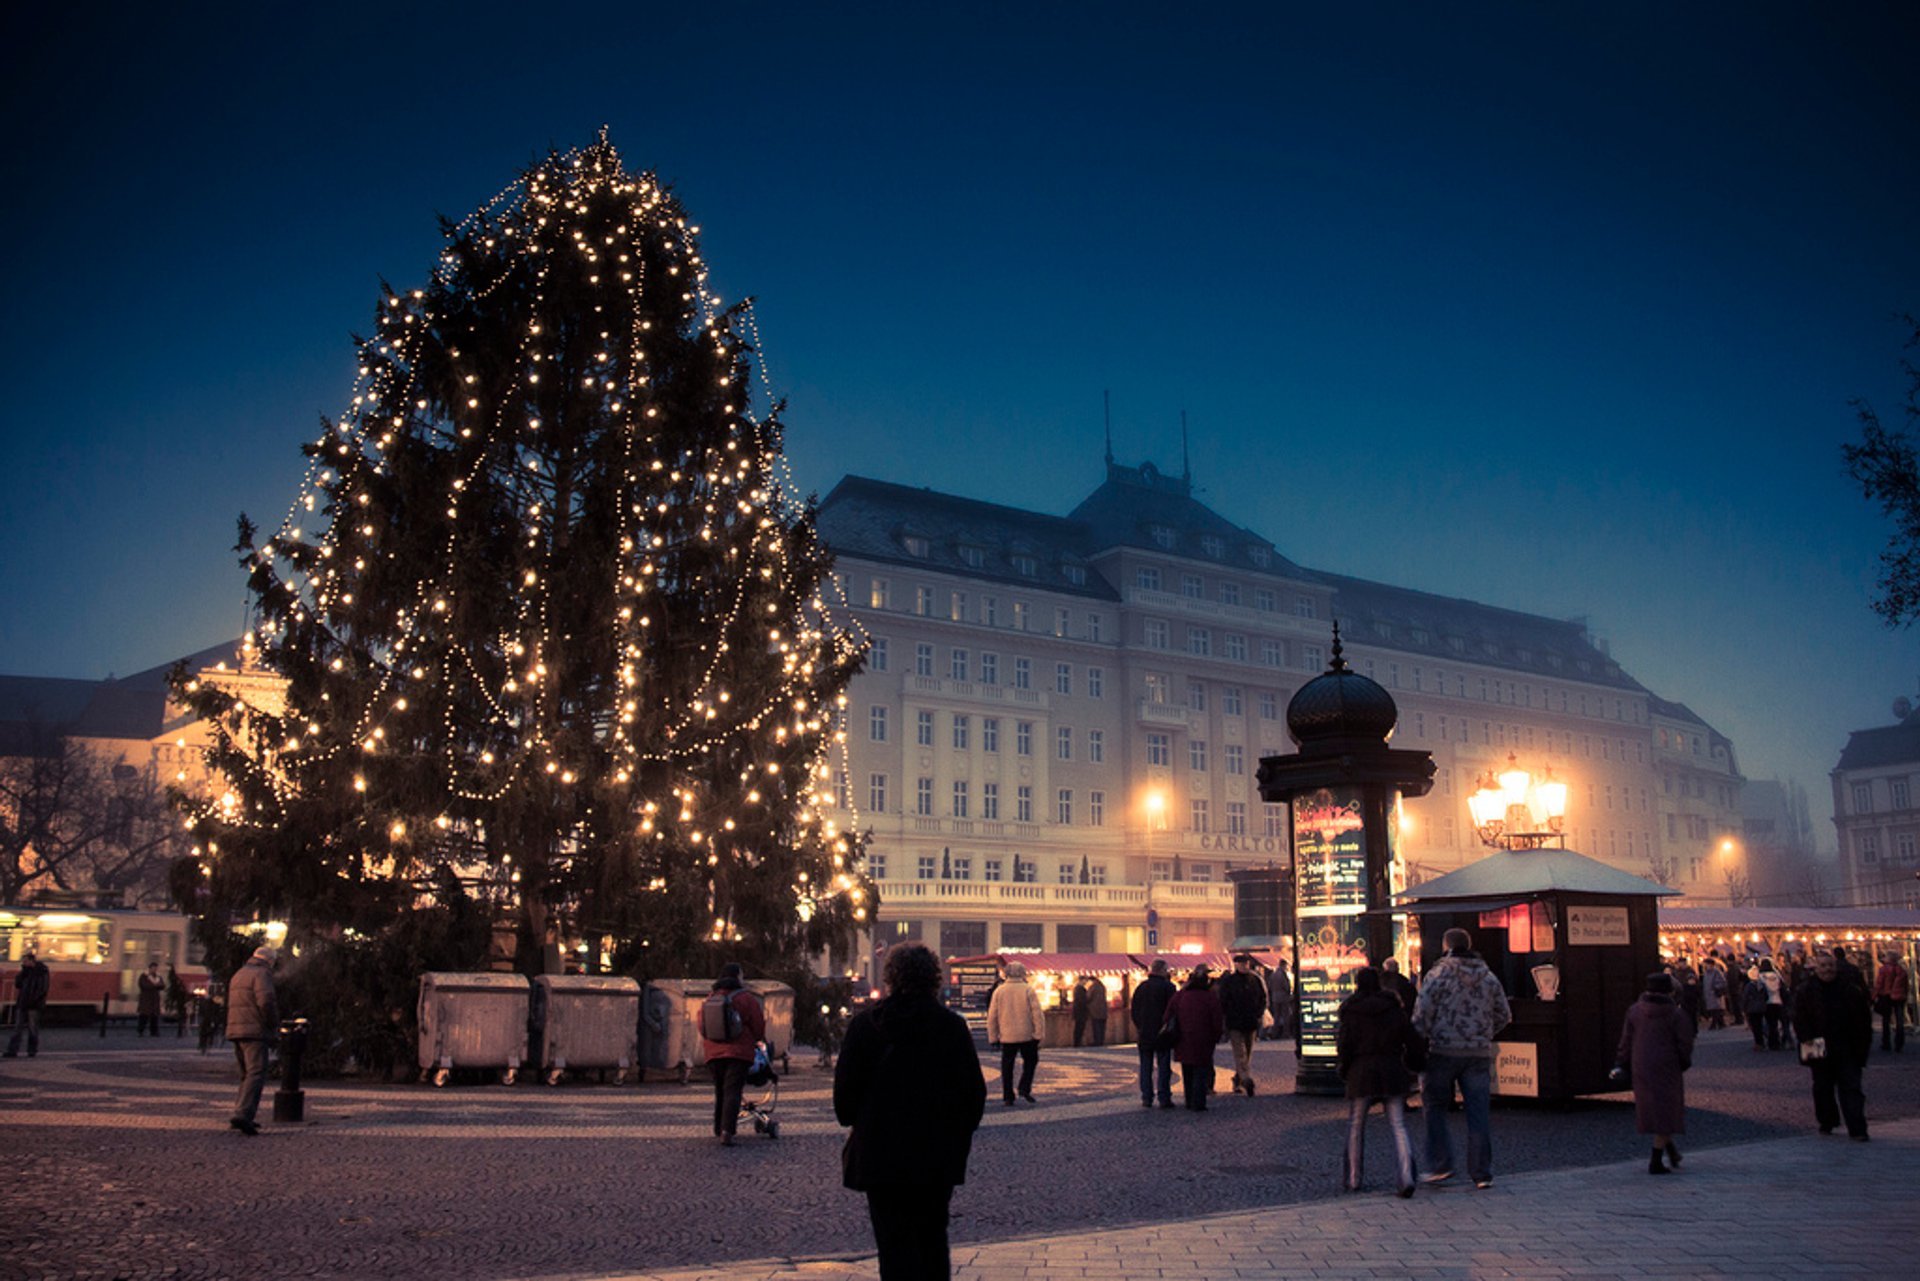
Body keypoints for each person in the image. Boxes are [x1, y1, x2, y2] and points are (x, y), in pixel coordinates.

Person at [835, 942, 986, 1280]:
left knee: (892, 1248)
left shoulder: (864, 1028)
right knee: (933, 1240)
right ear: (934, 978)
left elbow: (844, 1105)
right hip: (935, 1157)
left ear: (890, 977)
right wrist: (954, 1135)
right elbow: (973, 1098)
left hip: (880, 1157)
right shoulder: (951, 1028)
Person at [1413, 928, 1512, 1190]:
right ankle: (1481, 1173)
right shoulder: (1488, 977)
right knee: (1478, 1112)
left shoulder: (1438, 975)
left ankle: (1441, 1164)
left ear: (1446, 946)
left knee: (1435, 1106)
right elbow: (1504, 1014)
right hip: (1478, 1052)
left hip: (1443, 1050)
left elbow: (1421, 1015)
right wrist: (1484, 1033)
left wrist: (1423, 1037)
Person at [1336, 967, 1421, 1197]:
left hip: (1361, 1070)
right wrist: (1414, 1064)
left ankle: (1354, 1178)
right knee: (1398, 1125)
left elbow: (1344, 1046)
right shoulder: (1394, 1008)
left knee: (1356, 1125)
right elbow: (1410, 1038)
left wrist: (1344, 1069)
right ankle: (1406, 1176)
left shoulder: (1351, 1010)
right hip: (1391, 1068)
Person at [1615, 972, 1696, 1175]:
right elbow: (1685, 1042)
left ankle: (1671, 1151)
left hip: (1641, 1063)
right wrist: (1683, 1062)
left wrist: (1622, 1062)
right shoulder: (1675, 1014)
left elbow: (1626, 1040)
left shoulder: (1634, 1011)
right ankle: (1656, 1159)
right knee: (1667, 1109)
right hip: (1667, 1064)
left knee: (1653, 1109)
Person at [1793, 951, 1873, 1141]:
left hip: (1847, 1046)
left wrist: (1863, 1046)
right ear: (1816, 968)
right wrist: (1807, 1040)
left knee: (1852, 1089)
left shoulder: (1849, 989)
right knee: (1822, 1088)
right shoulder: (1806, 990)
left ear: (1835, 966)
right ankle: (1827, 1121)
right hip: (1819, 1046)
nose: (1827, 969)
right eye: (1823, 966)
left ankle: (1857, 1128)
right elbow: (1799, 1019)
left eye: (1830, 965)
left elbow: (1863, 1018)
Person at [700, 962, 767, 1147]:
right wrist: (755, 1039)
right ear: (738, 977)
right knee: (733, 1091)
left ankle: (717, 1127)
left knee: (720, 1090)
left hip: (713, 1053)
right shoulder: (746, 999)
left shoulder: (710, 997)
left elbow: (701, 1025)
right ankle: (727, 1131)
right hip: (738, 1053)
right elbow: (758, 1026)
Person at [225, 945, 279, 1135]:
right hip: (254, 1030)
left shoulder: (240, 973)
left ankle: (240, 1111)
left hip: (236, 1028)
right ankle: (243, 1114)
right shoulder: (262, 974)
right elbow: (266, 1002)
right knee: (256, 1073)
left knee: (245, 1074)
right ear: (269, 960)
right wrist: (273, 1025)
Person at [1165, 964, 1225, 1112]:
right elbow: (1217, 1019)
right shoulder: (1209, 997)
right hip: (1204, 1039)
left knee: (1188, 1070)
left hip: (1183, 1039)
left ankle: (1189, 1099)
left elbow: (1167, 1015)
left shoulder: (1180, 996)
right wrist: (1217, 1036)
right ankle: (1198, 1101)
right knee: (1201, 1070)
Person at [986, 961, 1043, 1106]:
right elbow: (1037, 1014)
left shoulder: (999, 991)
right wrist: (1038, 1034)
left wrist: (993, 1036)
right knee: (1031, 1061)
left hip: (1007, 1035)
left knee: (1007, 1066)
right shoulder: (1028, 990)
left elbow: (992, 1016)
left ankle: (1008, 1095)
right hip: (1027, 1035)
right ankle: (1024, 1087)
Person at [1215, 953, 1268, 1097]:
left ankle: (1238, 1079)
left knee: (1248, 1053)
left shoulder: (1255, 980)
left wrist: (1258, 1013)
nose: (1245, 966)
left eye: (1246, 963)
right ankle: (1246, 1079)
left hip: (1250, 1021)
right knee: (1240, 1054)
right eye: (1242, 963)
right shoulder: (1229, 981)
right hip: (1235, 1023)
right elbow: (1223, 1001)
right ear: (1236, 965)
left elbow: (1263, 998)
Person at [1130, 958, 1176, 1108]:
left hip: (1144, 1032)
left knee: (1145, 1066)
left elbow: (1134, 1010)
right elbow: (1173, 1011)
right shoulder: (1168, 987)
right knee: (1163, 1066)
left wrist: (1140, 1026)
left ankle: (1146, 1097)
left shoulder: (1141, 987)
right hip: (1162, 1033)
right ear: (1162, 970)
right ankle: (1164, 1097)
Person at [4, 949, 51, 1058]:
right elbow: (18, 984)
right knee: (18, 1028)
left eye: (25, 961)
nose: (23, 963)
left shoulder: (41, 971)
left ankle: (31, 1050)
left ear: (31, 961)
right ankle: (13, 1050)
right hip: (23, 1003)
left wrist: (33, 1000)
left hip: (33, 1005)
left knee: (32, 1028)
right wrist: (23, 972)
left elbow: (42, 988)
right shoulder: (25, 971)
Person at [1872, 951, 1907, 1053]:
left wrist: (1873, 996)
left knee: (1886, 1020)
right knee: (1899, 1020)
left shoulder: (1883, 970)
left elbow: (1879, 984)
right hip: (1899, 997)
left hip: (1886, 995)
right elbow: (1905, 986)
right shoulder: (1901, 970)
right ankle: (1899, 1042)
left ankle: (1886, 1042)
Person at [1746, 959, 1783, 1050]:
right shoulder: (1777, 975)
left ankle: (1763, 1042)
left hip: (1766, 1002)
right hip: (1777, 1001)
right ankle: (1775, 1043)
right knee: (1773, 1024)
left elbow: (1759, 990)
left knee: (1763, 1024)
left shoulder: (1761, 977)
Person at [1266, 957, 1293, 1040]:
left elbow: (1269, 986)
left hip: (1274, 997)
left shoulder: (1273, 974)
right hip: (1283, 997)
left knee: (1276, 1016)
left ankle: (1275, 1033)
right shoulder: (1283, 974)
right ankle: (1286, 1033)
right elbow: (1286, 986)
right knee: (1286, 1016)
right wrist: (1289, 992)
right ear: (1283, 965)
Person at [137, 960, 165, 1037]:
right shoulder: (144, 976)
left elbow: (162, 985)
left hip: (154, 999)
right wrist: (156, 986)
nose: (154, 970)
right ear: (149, 968)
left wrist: (155, 986)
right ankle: (141, 1031)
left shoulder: (158, 977)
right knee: (144, 1016)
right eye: (153, 968)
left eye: (155, 968)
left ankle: (154, 1032)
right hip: (146, 999)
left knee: (154, 1017)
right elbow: (143, 985)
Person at [1700, 958, 1727, 1031]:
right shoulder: (1706, 973)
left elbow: (1722, 982)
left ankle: (1714, 1024)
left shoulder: (1716, 972)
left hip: (1714, 993)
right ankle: (1720, 1023)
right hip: (1708, 993)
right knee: (1713, 1009)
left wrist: (1715, 988)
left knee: (1716, 1009)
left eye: (1706, 964)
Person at [1087, 976, 1109, 1046]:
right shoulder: (1102, 986)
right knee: (1102, 1026)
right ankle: (1101, 1040)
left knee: (1096, 1026)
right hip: (1103, 1010)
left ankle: (1097, 1041)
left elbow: (1088, 997)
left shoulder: (1093, 987)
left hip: (1095, 1010)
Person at [1070, 977, 1090, 1047]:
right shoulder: (1080, 989)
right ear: (1081, 980)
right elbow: (1082, 1001)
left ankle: (1077, 1042)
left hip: (1078, 1012)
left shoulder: (1077, 989)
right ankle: (1077, 1042)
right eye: (1085, 980)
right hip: (1081, 1012)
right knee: (1079, 1027)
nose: (1086, 982)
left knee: (1079, 1027)